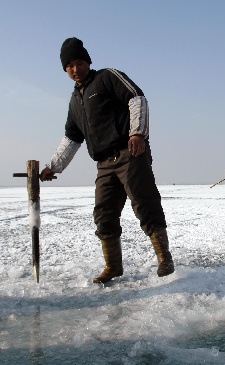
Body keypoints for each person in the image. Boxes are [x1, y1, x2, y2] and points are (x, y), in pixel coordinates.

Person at [40, 37, 174, 284]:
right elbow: (72, 137)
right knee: (103, 214)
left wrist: (137, 133)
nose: (75, 69)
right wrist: (53, 166)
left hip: (130, 153)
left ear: (88, 62)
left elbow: (137, 98)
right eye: (69, 66)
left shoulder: (108, 77)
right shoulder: (75, 101)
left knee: (144, 204)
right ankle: (113, 266)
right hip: (103, 163)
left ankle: (164, 258)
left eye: (79, 62)